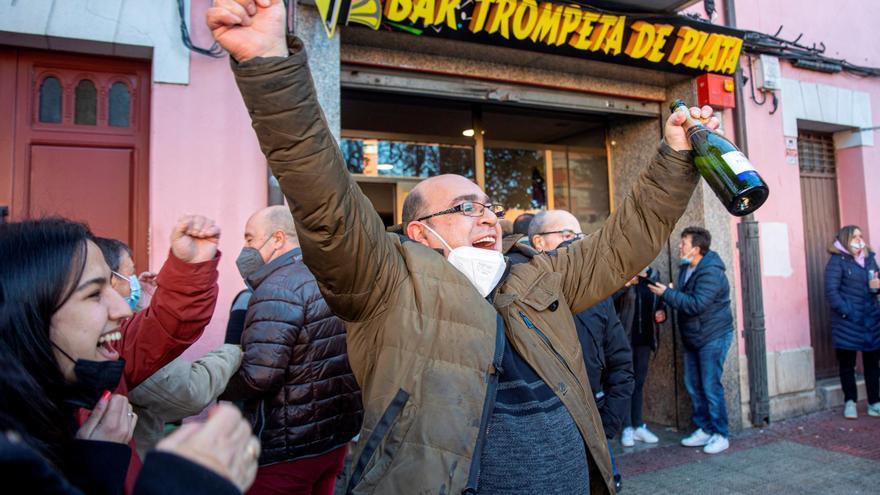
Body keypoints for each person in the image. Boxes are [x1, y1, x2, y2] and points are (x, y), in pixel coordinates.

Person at [207, 2, 716, 492]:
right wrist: (269, 66)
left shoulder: (537, 274)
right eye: (465, 208)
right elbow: (325, 196)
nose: (487, 216)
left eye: (488, 206)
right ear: (419, 232)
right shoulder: (386, 284)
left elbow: (627, 239)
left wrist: (674, 157)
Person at [0, 218, 259, 493]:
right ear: (28, 312)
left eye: (113, 286)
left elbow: (161, 328)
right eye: (94, 294)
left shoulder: (97, 361)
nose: (122, 309)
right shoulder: (11, 451)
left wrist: (190, 269)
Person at [221, 206, 363, 495]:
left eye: (250, 239)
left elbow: (259, 375)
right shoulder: (332, 278)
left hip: (287, 446)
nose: (245, 249)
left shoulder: (276, 287)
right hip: (332, 440)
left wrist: (215, 383)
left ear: (277, 238)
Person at [95, 236, 243, 456]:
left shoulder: (115, 331)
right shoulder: (106, 343)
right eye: (129, 276)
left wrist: (145, 309)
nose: (134, 282)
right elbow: (190, 391)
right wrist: (233, 350)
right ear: (107, 281)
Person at [648, 227, 732, 454]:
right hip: (694, 336)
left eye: (683, 243)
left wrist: (665, 293)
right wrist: (665, 301)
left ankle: (721, 433)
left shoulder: (712, 272)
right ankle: (704, 429)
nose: (679, 247)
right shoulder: (686, 267)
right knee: (694, 385)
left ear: (696, 249)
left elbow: (696, 304)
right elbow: (682, 294)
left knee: (710, 386)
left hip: (713, 336)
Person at [824, 225, 880, 419]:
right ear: (846, 239)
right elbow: (832, 292)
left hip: (871, 320)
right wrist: (849, 312)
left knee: (872, 363)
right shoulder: (837, 261)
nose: (859, 239)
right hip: (847, 322)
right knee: (847, 364)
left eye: (861, 235)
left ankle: (875, 402)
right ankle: (850, 402)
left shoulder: (870, 259)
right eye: (855, 236)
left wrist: (876, 287)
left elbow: (876, 285)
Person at [614, 267, 666, 448]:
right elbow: (610, 303)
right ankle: (626, 427)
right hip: (625, 339)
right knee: (626, 383)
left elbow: (659, 304)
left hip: (645, 339)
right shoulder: (621, 274)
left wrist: (662, 314)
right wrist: (625, 285)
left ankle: (638, 424)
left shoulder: (653, 277)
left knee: (639, 383)